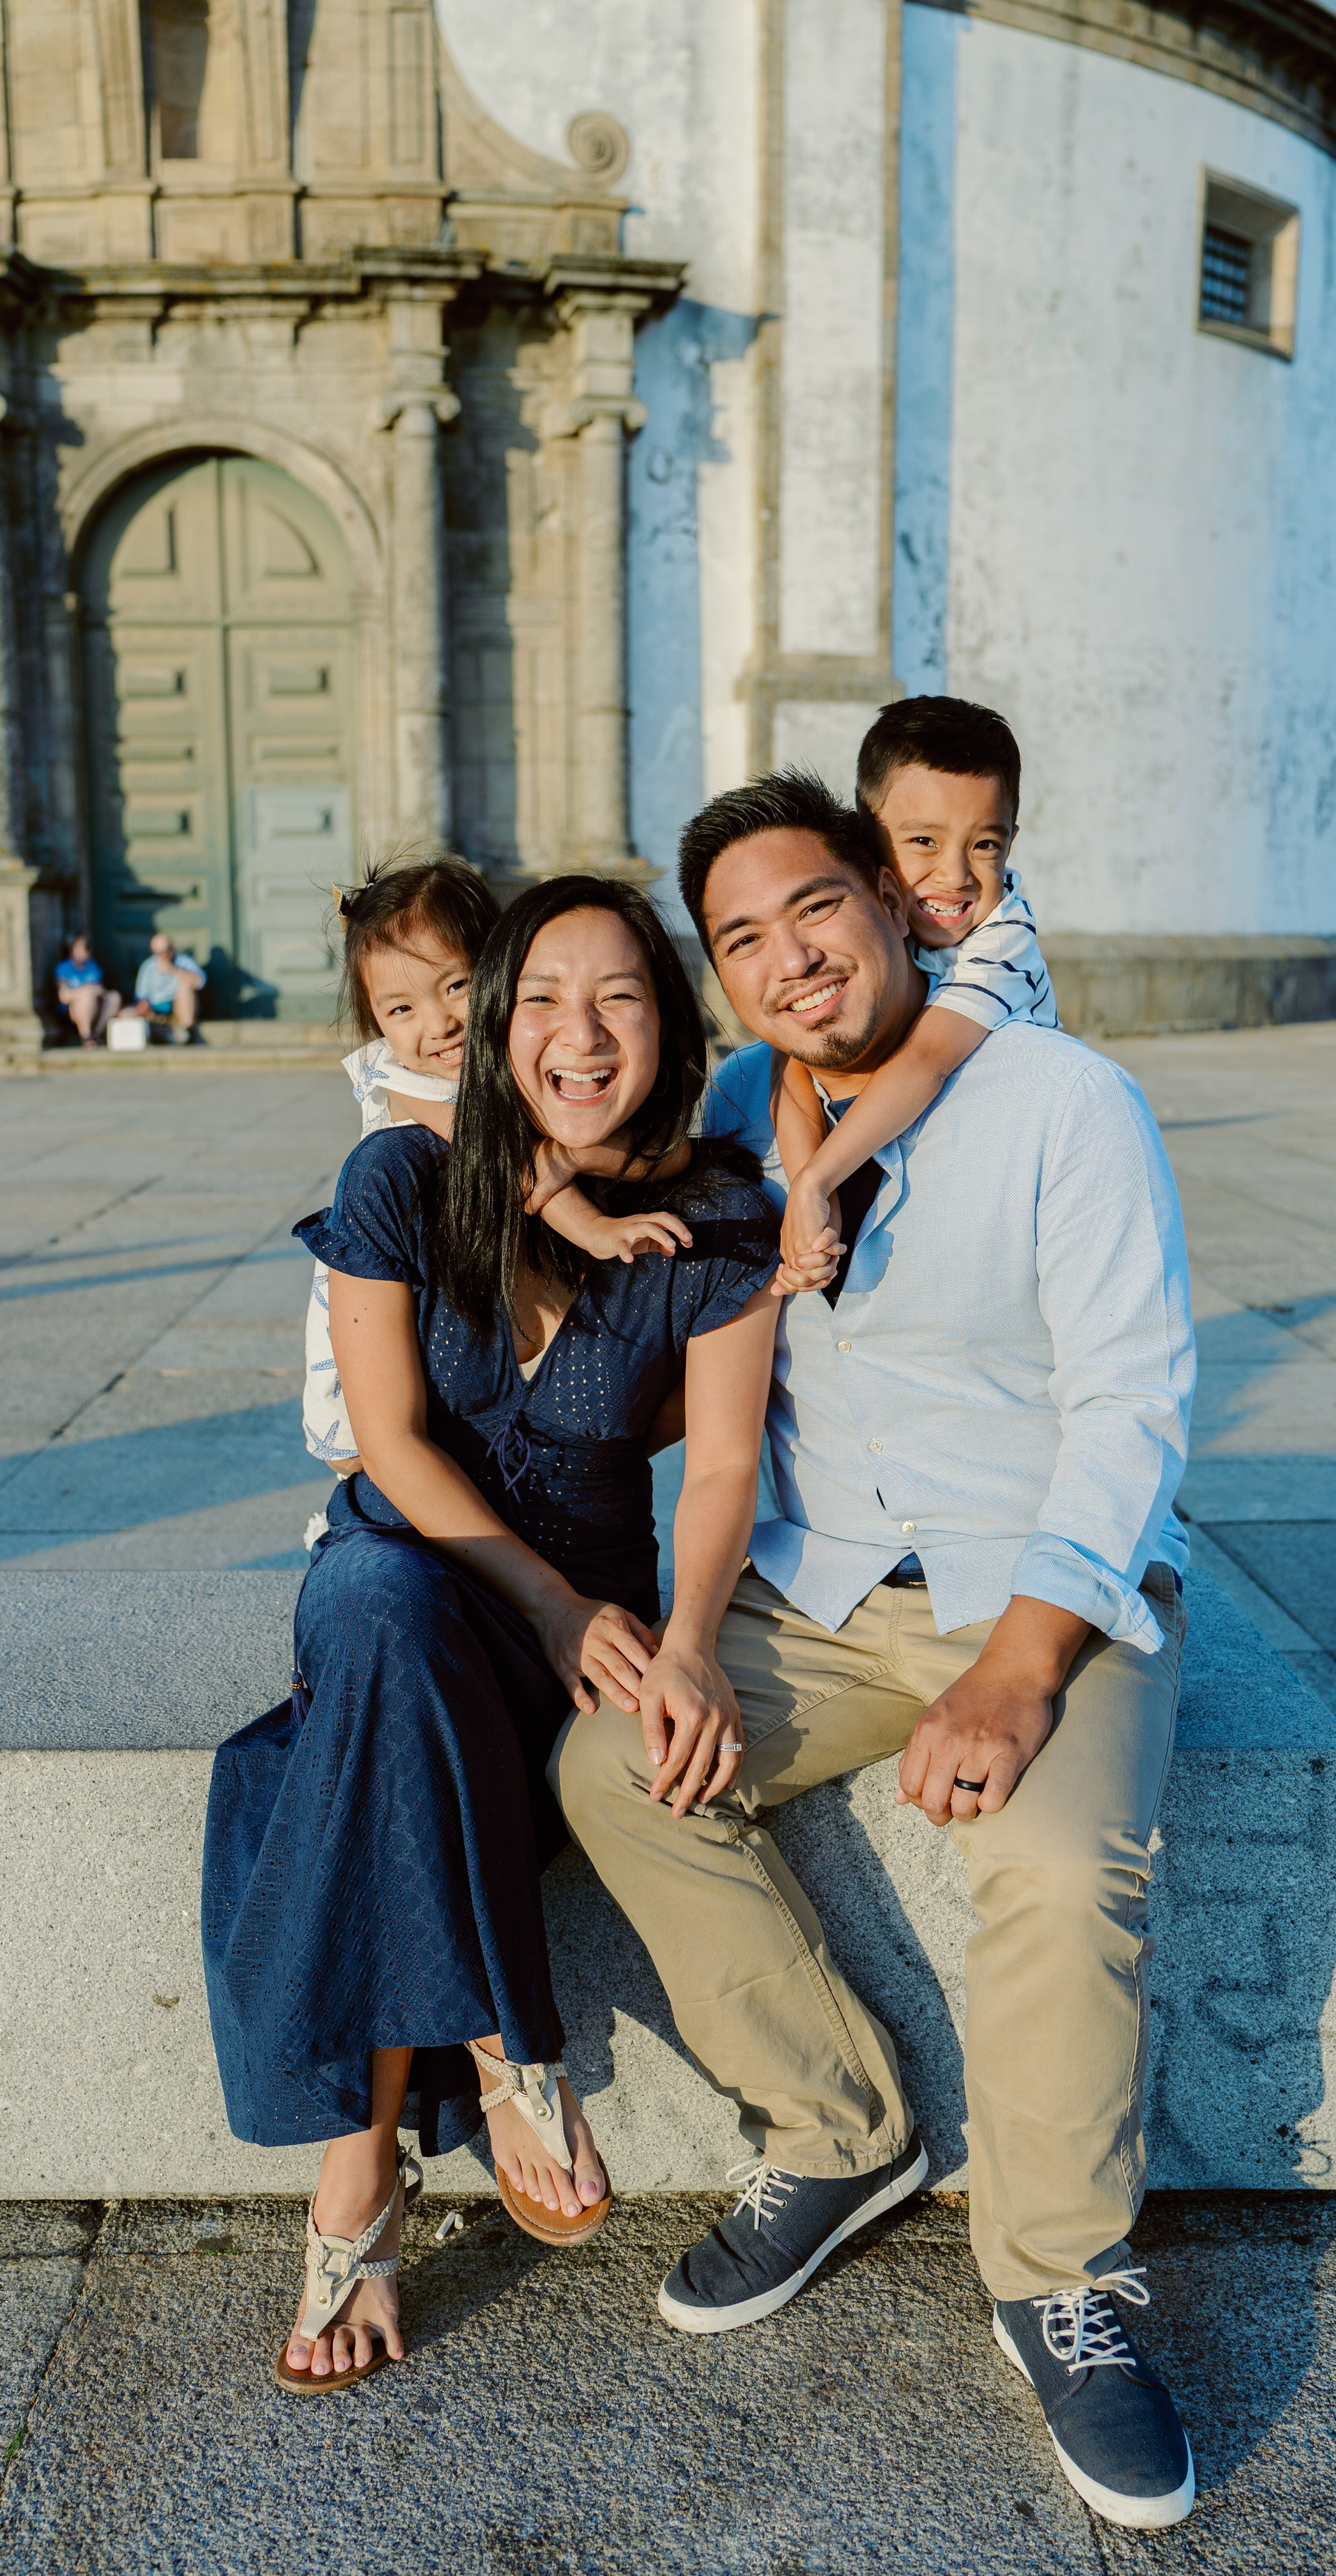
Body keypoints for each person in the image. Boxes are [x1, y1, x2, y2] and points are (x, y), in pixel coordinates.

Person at [553, 762, 1199, 2531]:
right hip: (817, 1587)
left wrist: (1019, 1666)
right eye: (738, 939)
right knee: (614, 1761)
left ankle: (1056, 2274)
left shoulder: (1066, 1098)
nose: (784, 957)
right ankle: (838, 2130)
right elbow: (529, 1133)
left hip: (1040, 1582)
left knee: (1061, 1867)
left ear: (887, 898)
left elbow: (1132, 1405)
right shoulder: (737, 1111)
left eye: (811, 908)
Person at [203, 873, 783, 2397]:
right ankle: (509, 2050)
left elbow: (719, 1465)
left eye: (618, 999)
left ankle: (359, 2186)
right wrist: (556, 1603)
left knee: (370, 1718)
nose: (576, 1037)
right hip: (433, 1579)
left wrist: (694, 1638)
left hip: (553, 1645)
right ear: (493, 1025)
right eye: (540, 999)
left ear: (668, 1020)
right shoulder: (398, 1176)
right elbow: (385, 1442)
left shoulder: (716, 1220)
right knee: (376, 1599)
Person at [303, 857, 712, 1478]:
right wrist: (594, 1228)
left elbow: (664, 1154)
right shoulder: (404, 1080)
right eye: (400, 1010)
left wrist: (582, 1153)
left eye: (455, 986)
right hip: (380, 1296)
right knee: (373, 1430)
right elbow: (518, 1167)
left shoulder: (521, 1067)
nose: (437, 1024)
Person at [769, 698, 1057, 1287]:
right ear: (867, 833)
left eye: (984, 845)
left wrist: (819, 1181)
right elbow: (793, 1063)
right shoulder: (872, 925)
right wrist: (813, 1201)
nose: (955, 875)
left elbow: (927, 1060)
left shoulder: (1005, 936)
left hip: (995, 1162)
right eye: (924, 841)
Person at [128, 932, 206, 1042]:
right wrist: (144, 1005)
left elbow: (200, 982)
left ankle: (188, 1033)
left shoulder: (183, 961)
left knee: (186, 987)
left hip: (179, 1005)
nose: (163, 956)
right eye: (158, 953)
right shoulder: (148, 966)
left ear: (173, 949)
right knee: (127, 1013)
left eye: (166, 951)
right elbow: (141, 995)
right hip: (156, 1008)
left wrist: (173, 970)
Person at [53, 933, 122, 1046]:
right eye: (84, 947)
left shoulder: (92, 966)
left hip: (96, 1007)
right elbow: (64, 996)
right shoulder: (64, 968)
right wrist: (87, 990)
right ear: (72, 949)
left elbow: (101, 989)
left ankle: (96, 1035)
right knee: (87, 998)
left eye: (88, 947)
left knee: (114, 997)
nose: (87, 950)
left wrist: (97, 991)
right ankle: (86, 1036)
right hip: (73, 1010)